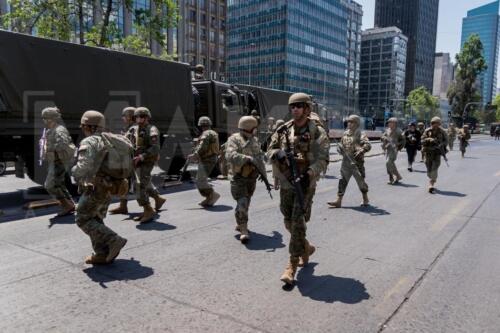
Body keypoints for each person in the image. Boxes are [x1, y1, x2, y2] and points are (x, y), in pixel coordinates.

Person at [267, 93, 329, 286]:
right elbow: (268, 150)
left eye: (299, 106)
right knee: (288, 221)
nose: (295, 109)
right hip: (286, 181)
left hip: (305, 183)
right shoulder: (284, 129)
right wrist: (278, 153)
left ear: (307, 109)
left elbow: (323, 158)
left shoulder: (316, 131)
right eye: (292, 106)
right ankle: (306, 247)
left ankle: (291, 266)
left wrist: (310, 173)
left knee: (297, 222)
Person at [72, 110, 127, 265]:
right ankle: (101, 253)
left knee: (82, 219)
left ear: (88, 126)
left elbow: (84, 165)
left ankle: (114, 240)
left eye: (83, 126)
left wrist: (73, 172)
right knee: (95, 219)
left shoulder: (89, 141)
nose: (82, 129)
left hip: (95, 188)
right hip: (109, 186)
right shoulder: (109, 139)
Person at [226, 116, 267, 244]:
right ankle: (244, 230)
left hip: (251, 178)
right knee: (242, 202)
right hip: (238, 177)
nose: (256, 130)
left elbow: (259, 157)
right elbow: (230, 155)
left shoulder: (254, 140)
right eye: (255, 128)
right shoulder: (234, 139)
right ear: (250, 128)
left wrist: (264, 175)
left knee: (246, 202)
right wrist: (247, 158)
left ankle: (240, 222)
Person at [129, 107, 166, 224]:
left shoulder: (152, 129)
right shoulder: (136, 129)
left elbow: (155, 148)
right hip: (137, 161)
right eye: (137, 117)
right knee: (145, 182)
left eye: (141, 117)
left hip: (146, 160)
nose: (138, 119)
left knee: (138, 186)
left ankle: (148, 210)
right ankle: (158, 199)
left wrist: (141, 156)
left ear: (147, 118)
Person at [327, 114, 371, 208]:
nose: (348, 123)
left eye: (351, 122)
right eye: (348, 121)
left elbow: (368, 145)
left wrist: (362, 150)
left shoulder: (360, 134)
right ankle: (339, 200)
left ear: (356, 123)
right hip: (346, 162)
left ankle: (365, 198)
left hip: (356, 163)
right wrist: (340, 149)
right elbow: (342, 145)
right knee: (342, 180)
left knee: (360, 182)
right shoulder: (345, 133)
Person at [41, 107, 76, 216]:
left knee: (50, 185)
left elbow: (62, 145)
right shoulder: (50, 130)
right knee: (59, 184)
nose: (43, 121)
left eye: (45, 118)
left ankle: (67, 205)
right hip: (54, 161)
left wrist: (51, 151)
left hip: (59, 161)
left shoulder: (59, 130)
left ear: (50, 119)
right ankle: (70, 204)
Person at [188, 116, 221, 207]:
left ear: (201, 125)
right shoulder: (212, 132)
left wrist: (195, 155)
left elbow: (203, 146)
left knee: (200, 180)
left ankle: (212, 195)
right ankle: (209, 197)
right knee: (200, 180)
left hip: (208, 159)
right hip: (209, 158)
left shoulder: (206, 133)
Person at [109, 106, 136, 214]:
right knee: (125, 181)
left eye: (124, 116)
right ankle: (123, 206)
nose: (122, 118)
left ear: (130, 117)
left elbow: (131, 145)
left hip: (133, 159)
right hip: (128, 159)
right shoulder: (129, 128)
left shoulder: (134, 128)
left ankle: (155, 201)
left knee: (141, 184)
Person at [421, 117, 448, 193]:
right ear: (431, 123)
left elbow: (446, 141)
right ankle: (432, 179)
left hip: (437, 153)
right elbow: (422, 140)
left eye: (437, 123)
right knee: (429, 170)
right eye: (434, 123)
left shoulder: (442, 131)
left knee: (434, 168)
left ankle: (431, 184)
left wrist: (441, 144)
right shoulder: (427, 131)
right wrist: (429, 139)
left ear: (439, 124)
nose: (435, 125)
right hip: (428, 152)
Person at [381, 118, 406, 184]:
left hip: (394, 149)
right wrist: (384, 138)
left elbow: (403, 140)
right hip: (388, 148)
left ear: (394, 123)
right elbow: (382, 137)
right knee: (390, 164)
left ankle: (393, 177)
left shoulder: (399, 131)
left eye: (390, 122)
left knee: (388, 162)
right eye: (389, 122)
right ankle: (396, 176)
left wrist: (399, 147)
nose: (389, 124)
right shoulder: (387, 130)